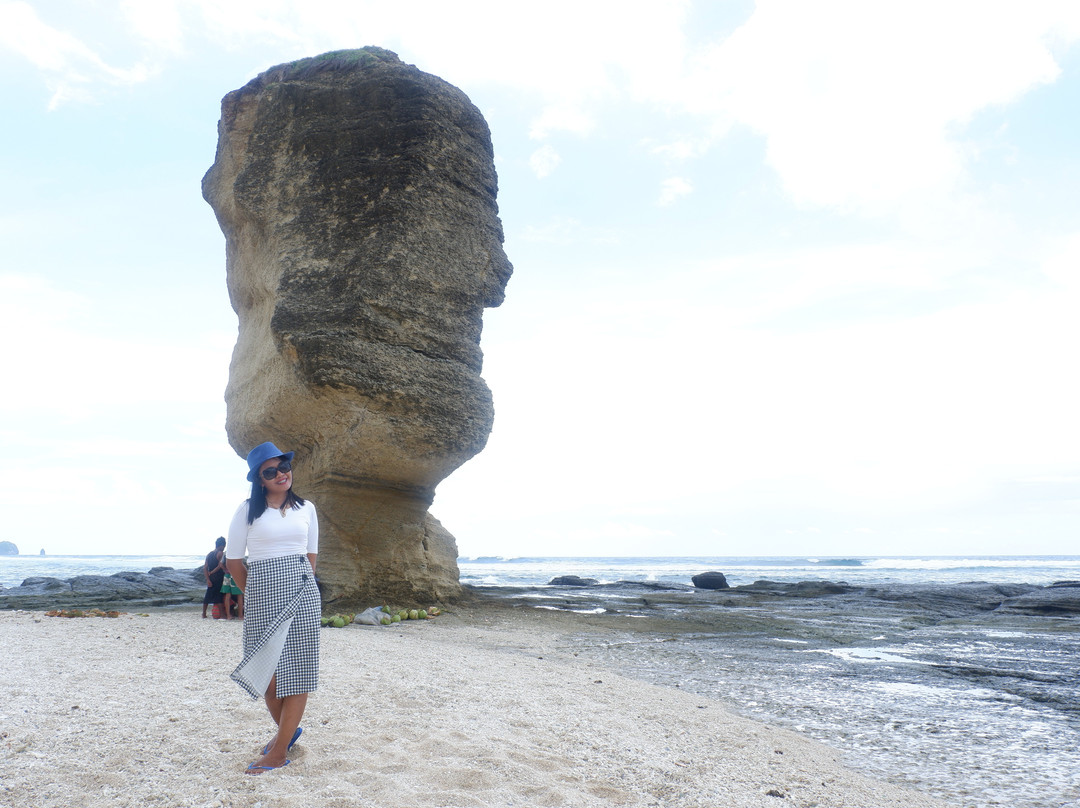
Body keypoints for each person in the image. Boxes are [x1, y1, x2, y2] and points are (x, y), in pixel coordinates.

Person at [226, 441, 321, 775]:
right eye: (271, 471)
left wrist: (299, 584)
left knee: (297, 672)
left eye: (284, 467)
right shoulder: (248, 510)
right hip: (262, 595)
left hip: (302, 593)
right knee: (267, 677)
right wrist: (254, 592)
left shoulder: (306, 508)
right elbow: (234, 560)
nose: (281, 474)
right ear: (260, 479)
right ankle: (287, 732)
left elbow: (310, 557)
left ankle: (280, 750)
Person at [202, 537, 227, 619]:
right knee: (218, 596)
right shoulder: (220, 553)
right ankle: (223, 615)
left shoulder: (209, 554)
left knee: (208, 595)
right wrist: (213, 572)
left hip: (211, 578)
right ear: (222, 545)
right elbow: (220, 565)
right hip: (218, 577)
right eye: (224, 545)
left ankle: (204, 614)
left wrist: (208, 579)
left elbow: (205, 567)